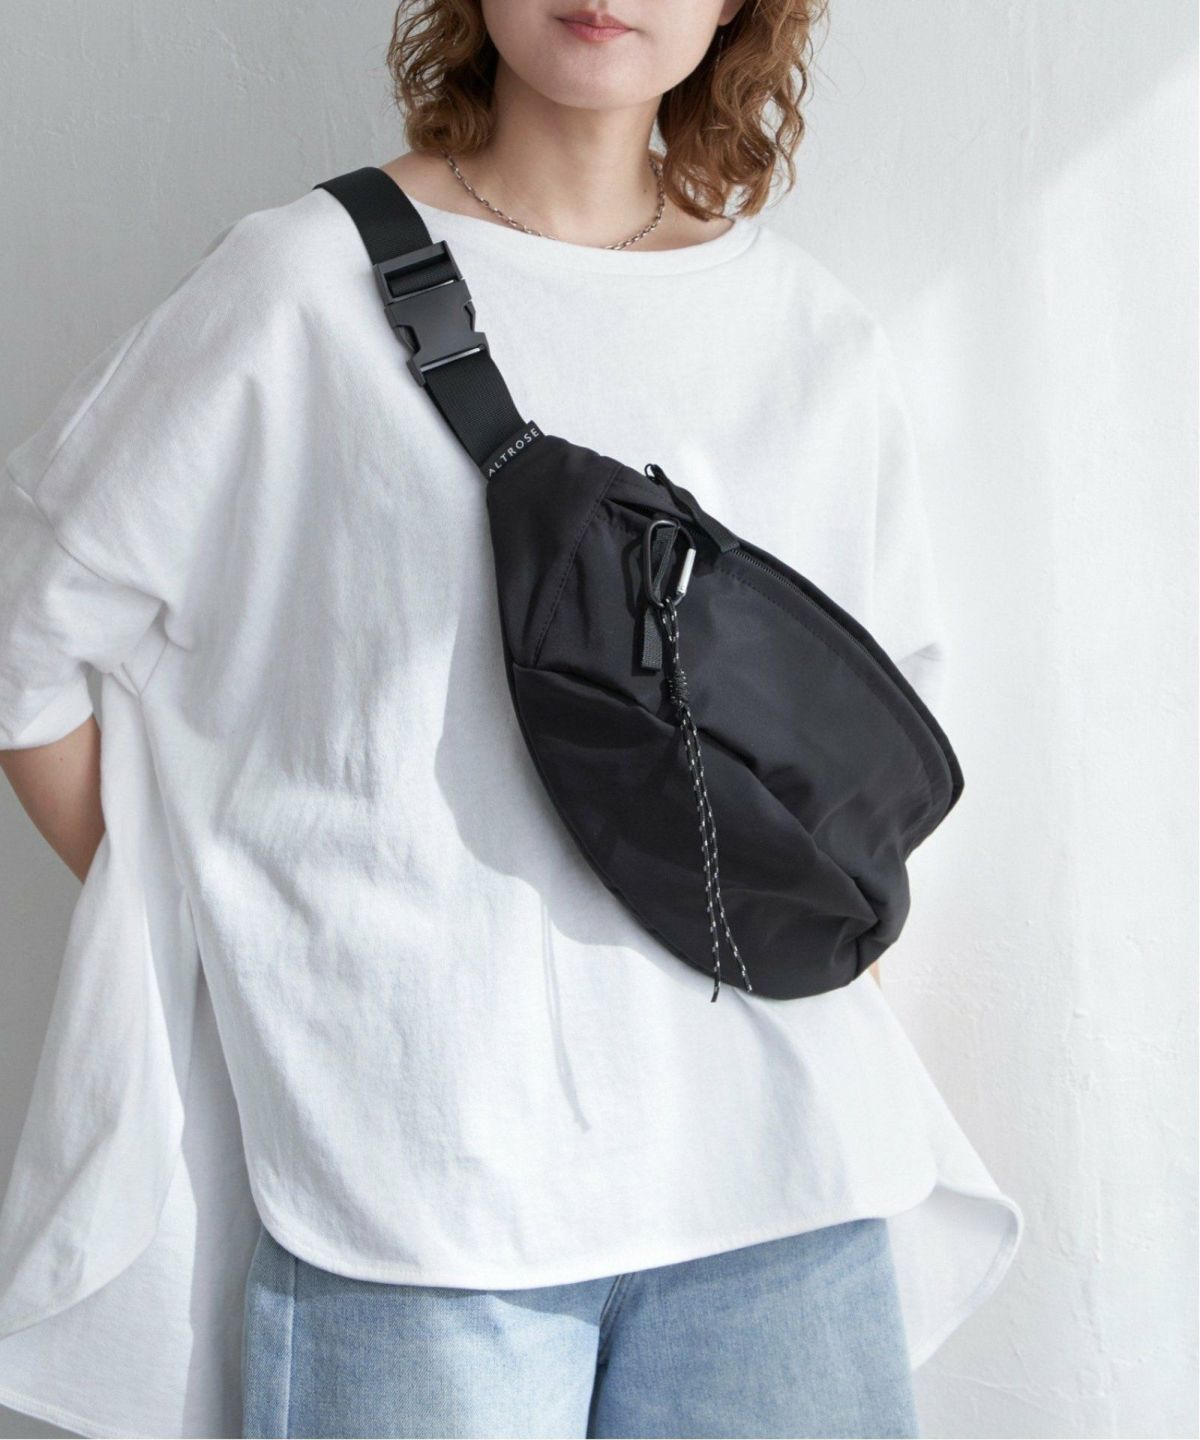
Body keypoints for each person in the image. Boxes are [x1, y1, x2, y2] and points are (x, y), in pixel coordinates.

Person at [0, 2, 1023, 1437]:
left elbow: (865, 778)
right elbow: (27, 633)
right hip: (418, 1208)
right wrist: (239, 927)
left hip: (782, 1191)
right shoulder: (299, 287)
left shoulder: (810, 334)